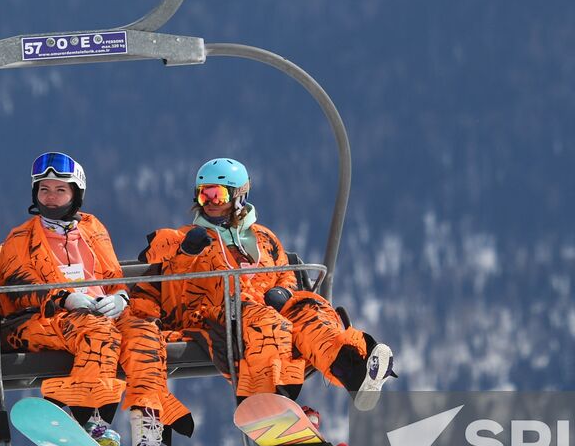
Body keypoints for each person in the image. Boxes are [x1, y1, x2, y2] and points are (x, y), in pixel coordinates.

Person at [139, 157, 396, 415]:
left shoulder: (264, 237)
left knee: (311, 310)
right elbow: (171, 290)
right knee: (267, 322)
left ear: (239, 196)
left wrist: (283, 293)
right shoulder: (183, 238)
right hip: (214, 313)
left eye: (217, 195)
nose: (210, 204)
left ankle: (354, 372)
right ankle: (266, 403)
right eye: (204, 196)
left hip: (264, 311)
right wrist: (186, 253)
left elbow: (283, 272)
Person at [0, 152, 191, 446]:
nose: (51, 198)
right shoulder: (21, 238)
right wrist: (66, 298)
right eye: (44, 190)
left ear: (76, 194)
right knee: (97, 330)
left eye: (60, 190)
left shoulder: (92, 228)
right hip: (36, 321)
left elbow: (113, 275)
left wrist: (120, 298)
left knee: (144, 333)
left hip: (99, 314)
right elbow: (17, 287)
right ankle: (92, 418)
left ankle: (148, 436)